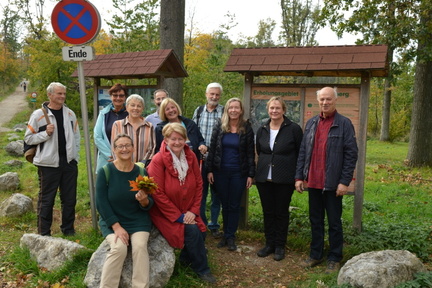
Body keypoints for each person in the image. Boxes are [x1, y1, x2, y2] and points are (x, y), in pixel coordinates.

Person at [295, 87, 358, 273]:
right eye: (322, 99)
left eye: (328, 99)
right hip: (313, 181)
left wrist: (344, 181)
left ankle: (334, 257)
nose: (325, 102)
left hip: (333, 184)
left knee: (334, 222)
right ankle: (316, 254)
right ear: (318, 101)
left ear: (335, 100)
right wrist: (299, 176)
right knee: (315, 220)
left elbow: (351, 155)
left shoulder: (344, 124)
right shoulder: (312, 123)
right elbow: (303, 152)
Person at [147, 123, 216, 284]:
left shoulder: (190, 155)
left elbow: (199, 185)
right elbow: (157, 193)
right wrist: (179, 216)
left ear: (185, 139)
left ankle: (186, 261)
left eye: (180, 139)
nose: (177, 142)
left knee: (202, 230)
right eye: (173, 139)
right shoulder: (158, 160)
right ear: (166, 139)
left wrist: (193, 211)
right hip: (165, 213)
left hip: (188, 209)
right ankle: (202, 269)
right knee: (192, 230)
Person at [96, 134, 154, 288]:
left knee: (140, 246)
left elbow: (150, 202)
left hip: (138, 220)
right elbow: (100, 202)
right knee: (118, 248)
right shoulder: (105, 172)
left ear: (133, 148)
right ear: (114, 150)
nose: (124, 149)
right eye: (120, 146)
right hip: (113, 220)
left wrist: (144, 201)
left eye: (128, 145)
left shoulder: (141, 173)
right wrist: (116, 226)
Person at [24, 82, 80, 236]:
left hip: (68, 163)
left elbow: (76, 138)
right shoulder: (38, 115)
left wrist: (76, 158)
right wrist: (45, 134)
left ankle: (68, 230)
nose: (62, 96)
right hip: (47, 164)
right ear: (50, 95)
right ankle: (44, 233)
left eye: (64, 93)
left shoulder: (70, 114)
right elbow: (28, 139)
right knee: (47, 200)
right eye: (59, 93)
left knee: (69, 199)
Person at [255, 96, 303, 261]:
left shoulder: (293, 129)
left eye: (277, 108)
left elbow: (300, 153)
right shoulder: (262, 128)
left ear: (283, 110)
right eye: (271, 108)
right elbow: (259, 150)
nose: (274, 111)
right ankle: (269, 244)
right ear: (268, 109)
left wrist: (299, 176)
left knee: (281, 212)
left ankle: (280, 246)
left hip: (284, 178)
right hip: (263, 178)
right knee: (268, 212)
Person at [206, 98, 255, 251]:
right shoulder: (219, 126)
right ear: (227, 109)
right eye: (231, 107)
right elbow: (212, 149)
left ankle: (230, 236)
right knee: (224, 204)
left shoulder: (246, 127)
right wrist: (209, 170)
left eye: (236, 108)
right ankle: (225, 235)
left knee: (234, 205)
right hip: (220, 171)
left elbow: (250, 153)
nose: (233, 110)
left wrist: (250, 174)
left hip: (238, 173)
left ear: (241, 110)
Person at [192, 82, 224, 238]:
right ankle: (201, 223)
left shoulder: (225, 112)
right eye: (211, 94)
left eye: (217, 94)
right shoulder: (198, 111)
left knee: (216, 194)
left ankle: (214, 224)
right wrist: (200, 145)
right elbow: (192, 133)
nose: (214, 97)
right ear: (206, 94)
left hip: (218, 160)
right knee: (201, 193)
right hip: (201, 160)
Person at [111, 94, 155, 166]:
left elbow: (152, 148)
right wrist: (121, 164)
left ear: (142, 108)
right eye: (132, 105)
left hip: (143, 168)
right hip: (123, 167)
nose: (136, 108)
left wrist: (142, 164)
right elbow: (114, 147)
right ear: (127, 107)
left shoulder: (149, 126)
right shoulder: (117, 125)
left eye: (139, 106)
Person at [94, 83, 128, 172]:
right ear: (110, 97)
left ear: (125, 97)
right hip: (107, 159)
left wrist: (120, 155)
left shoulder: (129, 114)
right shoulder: (104, 114)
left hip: (126, 158)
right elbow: (97, 136)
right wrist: (111, 155)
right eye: (115, 95)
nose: (118, 98)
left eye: (121, 96)